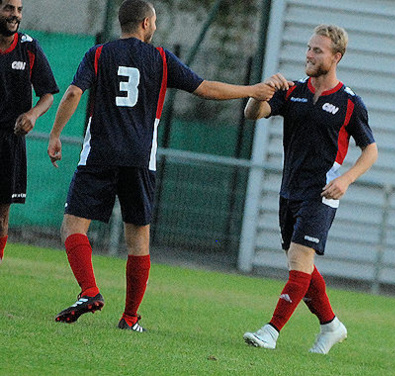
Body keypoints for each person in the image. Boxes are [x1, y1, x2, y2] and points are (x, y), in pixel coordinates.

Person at [47, 0, 275, 332]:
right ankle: (129, 317)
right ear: (144, 24)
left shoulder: (97, 54)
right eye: (153, 21)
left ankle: (90, 290)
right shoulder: (161, 59)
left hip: (100, 154)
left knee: (73, 227)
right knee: (138, 239)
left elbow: (72, 94)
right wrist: (252, 90)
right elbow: (205, 89)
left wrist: (55, 134)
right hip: (141, 159)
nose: (155, 27)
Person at [242, 24, 378, 354]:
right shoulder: (292, 91)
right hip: (290, 191)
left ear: (336, 57)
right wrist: (258, 93)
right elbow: (253, 114)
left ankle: (272, 331)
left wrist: (345, 180)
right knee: (300, 264)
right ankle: (331, 325)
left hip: (322, 194)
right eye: (308, 48)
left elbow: (370, 150)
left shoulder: (349, 102)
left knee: (300, 257)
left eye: (317, 50)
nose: (309, 54)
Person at [0, 0, 58, 265]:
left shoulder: (28, 47)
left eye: (19, 9)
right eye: (8, 8)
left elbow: (48, 94)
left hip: (9, 142)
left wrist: (32, 115)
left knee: (2, 215)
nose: (15, 15)